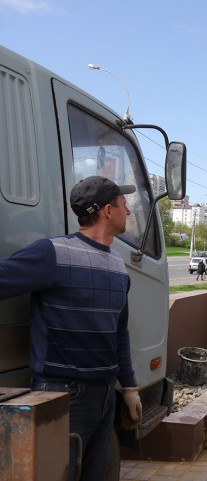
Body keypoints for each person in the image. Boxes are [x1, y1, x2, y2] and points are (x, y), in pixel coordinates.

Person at [0, 176, 142, 481]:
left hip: (105, 393)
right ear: (107, 210)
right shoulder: (52, 253)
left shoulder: (118, 265)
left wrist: (128, 387)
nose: (128, 212)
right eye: (123, 205)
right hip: (64, 394)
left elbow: (119, 332)